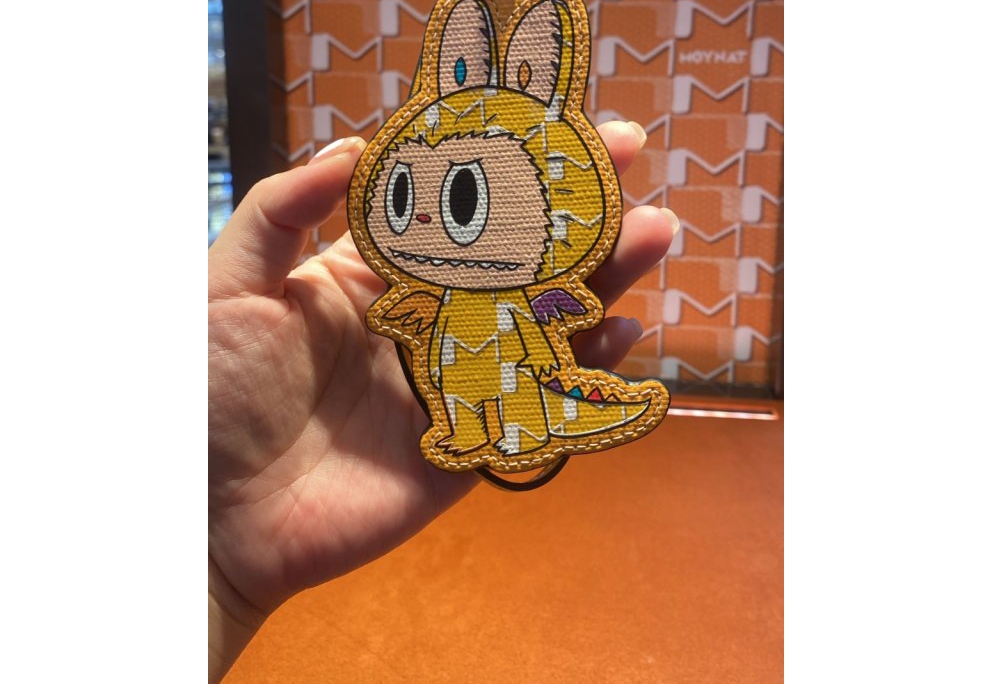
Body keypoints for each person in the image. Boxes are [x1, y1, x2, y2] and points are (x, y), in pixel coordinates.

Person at [208, 121, 678, 680]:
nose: (424, 220)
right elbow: (407, 318)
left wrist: (219, 571)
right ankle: (472, 430)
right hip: (451, 386)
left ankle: (506, 425)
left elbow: (534, 336)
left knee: (502, 394)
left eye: (461, 198)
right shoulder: (424, 287)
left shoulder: (511, 296)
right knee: (464, 396)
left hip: (517, 380)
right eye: (405, 195)